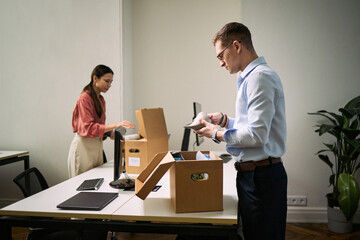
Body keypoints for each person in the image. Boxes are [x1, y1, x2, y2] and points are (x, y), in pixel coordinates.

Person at [194, 22, 288, 240]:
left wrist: (215, 133)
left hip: (261, 177)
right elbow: (253, 125)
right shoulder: (249, 77)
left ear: (236, 46)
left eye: (220, 56)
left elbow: (256, 135)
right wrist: (225, 121)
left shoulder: (259, 77)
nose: (220, 63)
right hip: (255, 174)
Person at [68, 64, 135, 178]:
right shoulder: (84, 98)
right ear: (95, 79)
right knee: (83, 187)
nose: (109, 85)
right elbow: (89, 128)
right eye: (107, 81)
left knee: (96, 184)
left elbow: (98, 127)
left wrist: (110, 134)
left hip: (96, 148)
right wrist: (118, 124)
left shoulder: (101, 100)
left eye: (111, 82)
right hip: (84, 148)